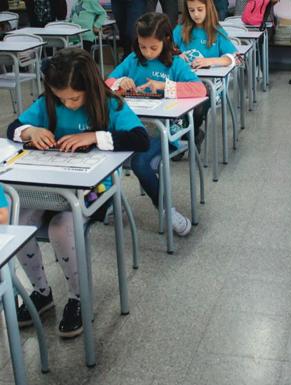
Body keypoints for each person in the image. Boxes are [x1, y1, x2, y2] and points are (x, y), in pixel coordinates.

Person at [7, 48, 148, 338]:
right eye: (61, 99)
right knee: (19, 219)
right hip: (48, 185)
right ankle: (41, 291)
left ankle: (78, 297)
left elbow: (140, 138)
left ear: (90, 87)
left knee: (62, 227)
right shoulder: (48, 103)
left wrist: (94, 136)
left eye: (74, 98)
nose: (68, 104)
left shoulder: (110, 105)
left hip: (96, 188)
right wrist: (30, 132)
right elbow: (13, 127)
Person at [105, 12, 206, 236]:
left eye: (153, 47)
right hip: (135, 129)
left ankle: (166, 210)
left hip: (166, 132)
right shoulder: (133, 60)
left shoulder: (175, 63)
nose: (147, 52)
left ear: (166, 41)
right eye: (142, 46)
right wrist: (121, 82)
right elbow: (107, 82)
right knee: (105, 151)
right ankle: (108, 202)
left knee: (141, 163)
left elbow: (199, 89)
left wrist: (163, 87)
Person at [173, 0, 237, 149]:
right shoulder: (180, 29)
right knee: (179, 100)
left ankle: (187, 136)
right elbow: (165, 48)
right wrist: (175, 54)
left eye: (200, 9)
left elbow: (235, 58)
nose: (196, 14)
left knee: (198, 101)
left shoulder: (217, 31)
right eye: (191, 10)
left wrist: (210, 61)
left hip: (211, 87)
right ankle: (190, 136)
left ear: (209, 8)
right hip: (185, 83)